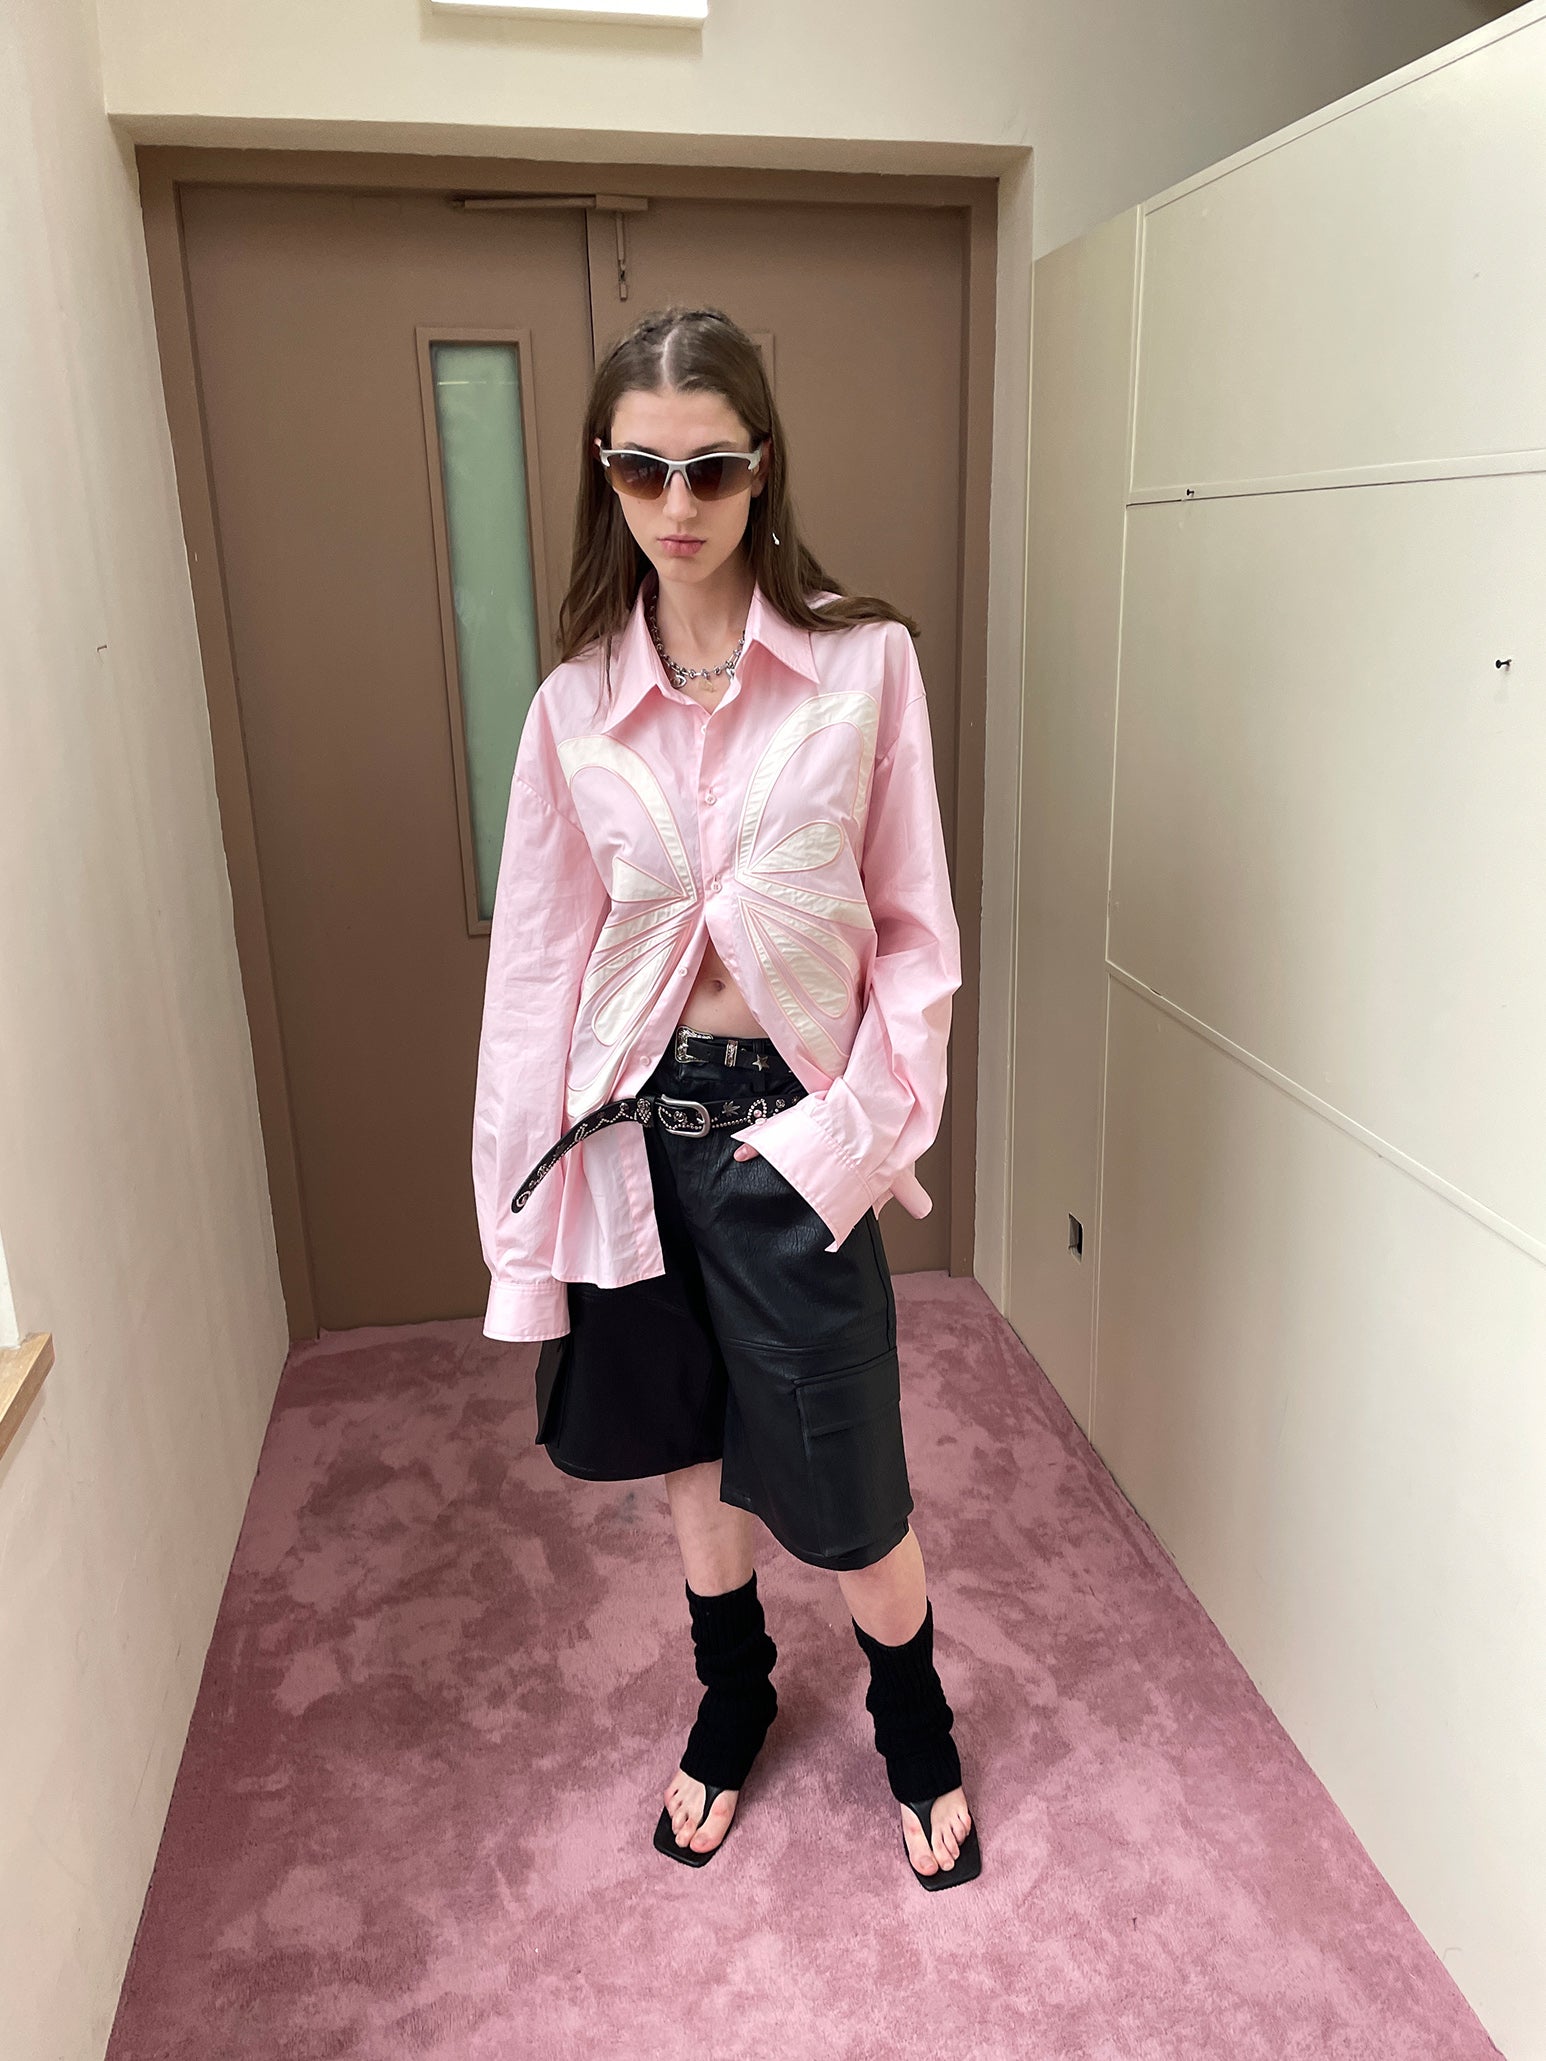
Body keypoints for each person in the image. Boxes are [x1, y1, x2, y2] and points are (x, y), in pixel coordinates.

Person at [471, 304, 980, 1889]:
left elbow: (915, 934)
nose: (675, 505)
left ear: (762, 469)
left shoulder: (861, 665)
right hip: (628, 1138)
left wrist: (850, 1140)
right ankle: (734, 1689)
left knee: (849, 1474)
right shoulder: (573, 706)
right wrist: (522, 1230)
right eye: (641, 470)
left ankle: (913, 1719)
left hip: (790, 1134)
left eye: (708, 468)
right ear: (604, 475)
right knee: (687, 1451)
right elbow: (535, 978)